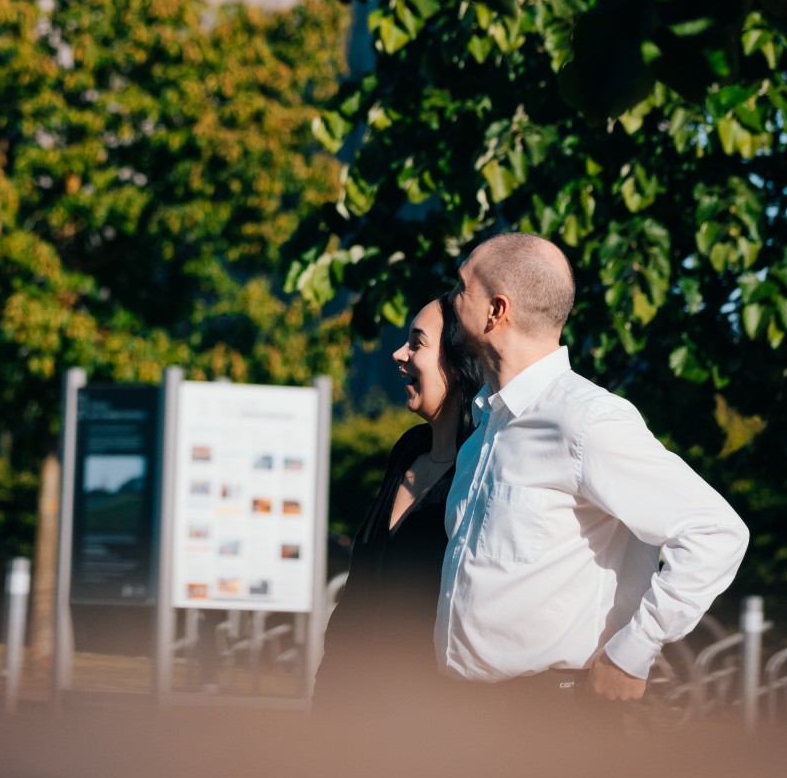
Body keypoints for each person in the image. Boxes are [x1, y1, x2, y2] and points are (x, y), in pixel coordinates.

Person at [437, 232, 748, 711]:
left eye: (462, 287)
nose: (451, 300)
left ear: (497, 311)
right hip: (461, 710)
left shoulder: (586, 421)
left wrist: (633, 650)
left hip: (549, 715)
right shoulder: (484, 429)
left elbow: (717, 531)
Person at [315, 294, 477, 705]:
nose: (398, 354)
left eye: (417, 343)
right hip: (349, 700)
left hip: (424, 711)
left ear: (458, 363)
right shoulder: (409, 448)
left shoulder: (482, 470)